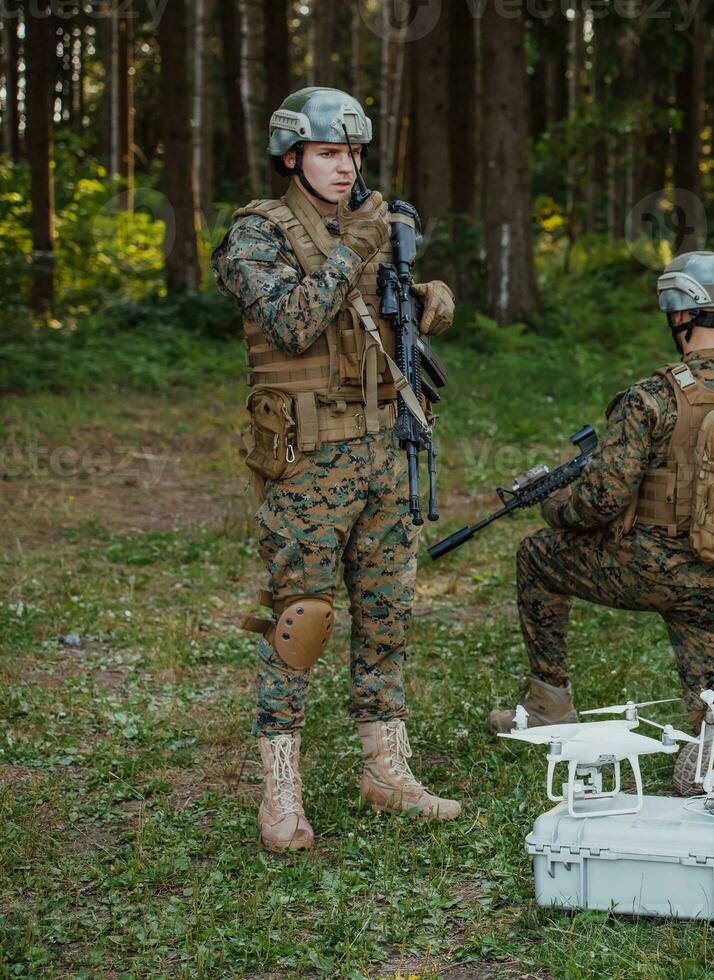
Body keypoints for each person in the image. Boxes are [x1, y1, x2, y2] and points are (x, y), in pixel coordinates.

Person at [212, 86, 461, 852]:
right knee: (302, 621)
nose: (346, 167)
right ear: (292, 156)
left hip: (383, 447)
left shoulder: (370, 228)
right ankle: (279, 792)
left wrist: (419, 301)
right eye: (328, 152)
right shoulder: (258, 233)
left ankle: (386, 770)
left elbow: (369, 321)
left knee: (386, 614)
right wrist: (357, 245)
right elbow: (291, 323)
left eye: (353, 152)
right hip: (308, 461)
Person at [490, 251, 714, 795]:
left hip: (646, 567)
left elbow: (600, 503)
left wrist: (554, 504)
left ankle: (548, 704)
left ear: (678, 313)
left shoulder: (651, 396)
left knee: (537, 555)